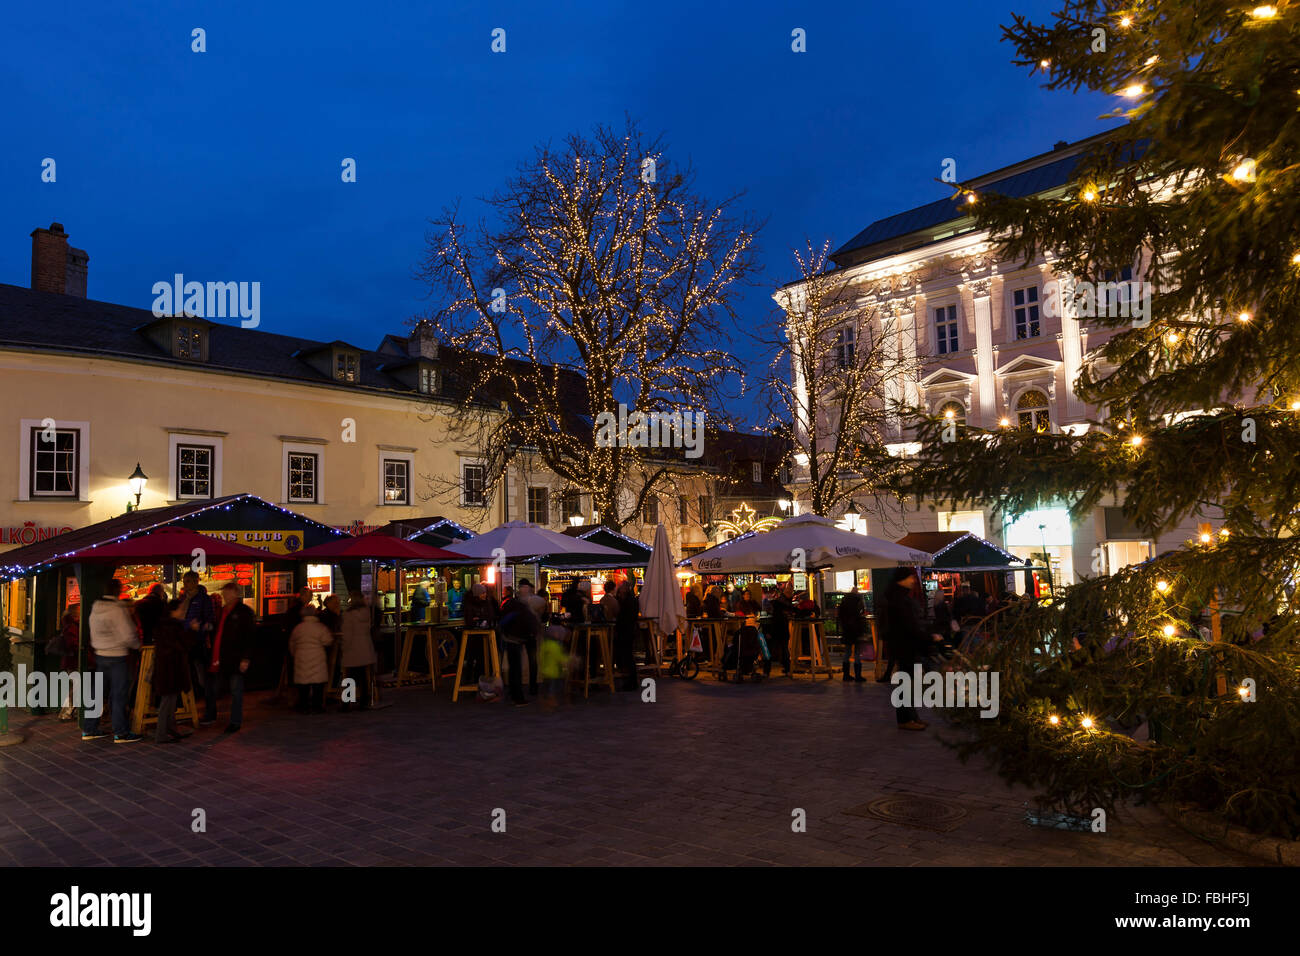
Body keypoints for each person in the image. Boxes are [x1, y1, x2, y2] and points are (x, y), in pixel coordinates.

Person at [83, 578, 142, 743]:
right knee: (118, 695)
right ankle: (121, 732)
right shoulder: (118, 609)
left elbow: (92, 631)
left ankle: (89, 729)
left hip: (100, 654)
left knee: (97, 694)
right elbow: (128, 634)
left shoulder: (95, 608)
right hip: (117, 656)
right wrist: (137, 645)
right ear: (118, 590)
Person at [882, 567, 929, 731]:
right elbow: (908, 624)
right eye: (910, 577)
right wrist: (924, 637)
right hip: (905, 647)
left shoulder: (899, 597)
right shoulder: (899, 600)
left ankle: (912, 717)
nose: (913, 580)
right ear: (901, 579)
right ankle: (905, 719)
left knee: (909, 684)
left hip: (905, 646)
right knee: (906, 684)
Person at [208, 582, 256, 732]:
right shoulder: (223, 611)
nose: (224, 596)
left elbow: (249, 636)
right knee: (218, 688)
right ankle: (216, 715)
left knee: (235, 690)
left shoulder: (243, 612)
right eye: (224, 593)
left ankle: (235, 721)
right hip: (222, 657)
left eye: (226, 593)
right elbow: (218, 631)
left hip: (235, 657)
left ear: (235, 593)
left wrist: (245, 658)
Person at [152, 598, 193, 743]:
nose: (183, 612)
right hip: (170, 669)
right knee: (168, 701)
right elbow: (183, 645)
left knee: (171, 699)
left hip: (167, 669)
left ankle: (170, 728)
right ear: (172, 611)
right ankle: (161, 733)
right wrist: (192, 631)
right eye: (181, 609)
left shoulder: (165, 626)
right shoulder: (172, 627)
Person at [180, 571, 215, 715]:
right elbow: (180, 618)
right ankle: (187, 709)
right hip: (184, 643)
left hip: (198, 643)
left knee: (203, 678)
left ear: (196, 582)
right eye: (184, 581)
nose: (185, 584)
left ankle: (210, 711)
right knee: (185, 677)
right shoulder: (183, 598)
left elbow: (210, 621)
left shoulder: (204, 599)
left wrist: (200, 627)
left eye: (188, 581)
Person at [499, 583, 540, 706]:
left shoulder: (512, 604)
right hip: (515, 639)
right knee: (516, 668)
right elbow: (528, 623)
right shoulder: (521, 607)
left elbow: (504, 620)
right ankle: (518, 697)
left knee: (514, 668)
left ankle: (514, 694)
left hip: (512, 638)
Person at [289, 605, 334, 714]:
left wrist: (295, 653)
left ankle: (303, 705)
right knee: (317, 684)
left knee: (303, 685)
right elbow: (328, 640)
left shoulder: (298, 628)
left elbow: (292, 643)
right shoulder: (320, 627)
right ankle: (317, 706)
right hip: (317, 657)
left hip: (301, 657)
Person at [339, 591, 376, 712]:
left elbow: (347, 635)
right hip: (365, 649)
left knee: (349, 677)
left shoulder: (348, 615)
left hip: (352, 650)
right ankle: (364, 701)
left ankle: (347, 702)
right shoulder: (366, 614)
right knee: (363, 677)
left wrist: (344, 647)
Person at [55, 604, 82, 720]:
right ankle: (66, 712)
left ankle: (71, 711)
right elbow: (73, 644)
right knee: (77, 686)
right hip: (73, 661)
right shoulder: (72, 627)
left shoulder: (70, 625)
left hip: (71, 661)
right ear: (75, 614)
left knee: (77, 686)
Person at [762, 581, 794, 677]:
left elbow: (767, 615)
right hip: (776, 629)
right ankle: (785, 670)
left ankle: (767, 671)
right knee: (780, 650)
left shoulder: (779, 602)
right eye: (788, 591)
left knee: (776, 650)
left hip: (777, 629)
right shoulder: (781, 602)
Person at [613, 579, 640, 691]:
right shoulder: (631, 600)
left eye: (621, 588)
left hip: (626, 631)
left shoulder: (628, 601)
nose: (619, 591)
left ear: (625, 589)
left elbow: (625, 617)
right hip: (629, 631)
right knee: (628, 657)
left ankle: (631, 682)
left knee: (628, 657)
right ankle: (631, 682)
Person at [838, 585, 868, 682]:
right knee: (857, 653)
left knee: (847, 652)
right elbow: (862, 614)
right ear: (856, 592)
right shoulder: (859, 600)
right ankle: (858, 676)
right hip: (856, 630)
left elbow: (840, 615)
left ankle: (846, 675)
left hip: (847, 630)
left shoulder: (844, 601)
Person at [538, 621, 570, 712]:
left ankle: (544, 701)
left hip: (545, 671)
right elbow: (559, 658)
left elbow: (541, 657)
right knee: (553, 689)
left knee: (546, 687)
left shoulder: (545, 645)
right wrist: (570, 660)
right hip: (554, 672)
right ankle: (551, 703)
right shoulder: (555, 646)